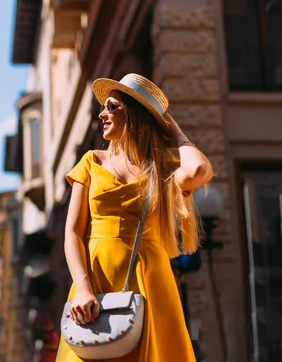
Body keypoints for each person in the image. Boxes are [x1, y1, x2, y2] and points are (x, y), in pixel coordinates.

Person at [55, 74, 213, 362]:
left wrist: (175, 133)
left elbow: (199, 171)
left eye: (112, 106)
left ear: (134, 113)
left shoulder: (163, 168)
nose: (102, 114)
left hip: (151, 281)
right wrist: (83, 289)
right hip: (94, 281)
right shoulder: (91, 162)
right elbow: (72, 233)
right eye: (103, 107)